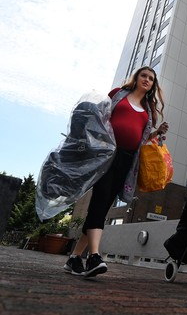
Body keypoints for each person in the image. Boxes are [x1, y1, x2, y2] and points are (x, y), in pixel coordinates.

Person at [63, 66, 169, 278]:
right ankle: (94, 256)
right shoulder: (118, 94)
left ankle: (74, 258)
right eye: (144, 76)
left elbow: (141, 140)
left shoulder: (148, 111)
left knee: (101, 208)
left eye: (151, 78)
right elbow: (99, 117)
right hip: (106, 154)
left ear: (153, 85)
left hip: (127, 162)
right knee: (100, 199)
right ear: (137, 78)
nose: (147, 80)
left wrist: (156, 133)